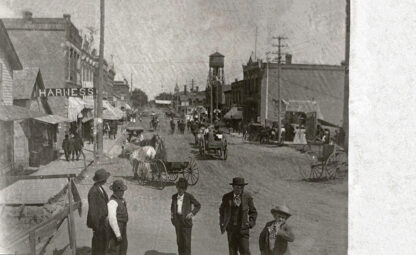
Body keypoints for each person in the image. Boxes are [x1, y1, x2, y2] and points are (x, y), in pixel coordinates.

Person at [219, 177, 257, 255]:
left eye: (241, 187)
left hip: (243, 230)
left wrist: (250, 223)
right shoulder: (226, 197)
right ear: (233, 187)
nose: (239, 189)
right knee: (232, 252)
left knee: (245, 251)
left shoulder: (247, 197)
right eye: (237, 187)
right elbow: (221, 211)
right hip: (231, 230)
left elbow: (253, 212)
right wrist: (223, 222)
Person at [171, 178, 201, 255]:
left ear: (185, 189)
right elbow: (172, 208)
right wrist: (172, 218)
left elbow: (198, 205)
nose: (180, 190)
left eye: (183, 188)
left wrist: (192, 213)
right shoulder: (174, 197)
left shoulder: (189, 196)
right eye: (179, 188)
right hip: (178, 223)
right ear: (177, 187)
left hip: (186, 223)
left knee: (187, 244)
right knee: (179, 242)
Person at [87, 169, 111, 255]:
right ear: (102, 180)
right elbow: (93, 211)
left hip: (103, 221)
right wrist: (96, 227)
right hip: (98, 223)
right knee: (98, 244)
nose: (106, 180)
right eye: (105, 179)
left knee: (103, 243)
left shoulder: (100, 188)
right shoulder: (93, 191)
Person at [107, 179, 129, 255]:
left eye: (123, 191)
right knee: (115, 249)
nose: (123, 193)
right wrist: (117, 234)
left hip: (122, 227)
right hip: (117, 228)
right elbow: (112, 219)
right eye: (121, 191)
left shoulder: (120, 200)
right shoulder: (112, 202)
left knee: (123, 247)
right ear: (116, 191)